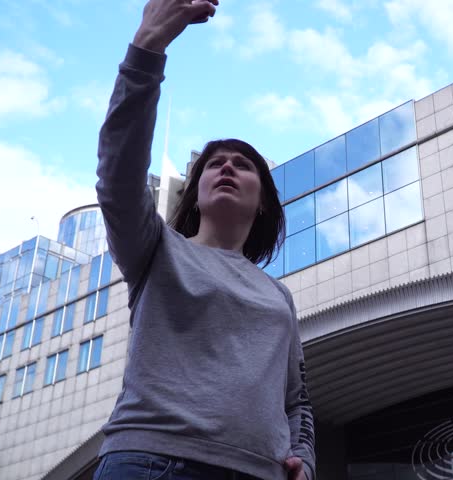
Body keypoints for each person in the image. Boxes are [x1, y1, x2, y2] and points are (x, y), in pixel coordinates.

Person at [93, 0, 315, 478]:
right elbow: (118, 175)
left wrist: (306, 464)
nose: (228, 166)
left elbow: (296, 401)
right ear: (195, 195)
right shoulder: (156, 249)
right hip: (150, 462)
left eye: (243, 163)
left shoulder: (279, 296)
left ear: (264, 202)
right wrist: (147, 48)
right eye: (215, 163)